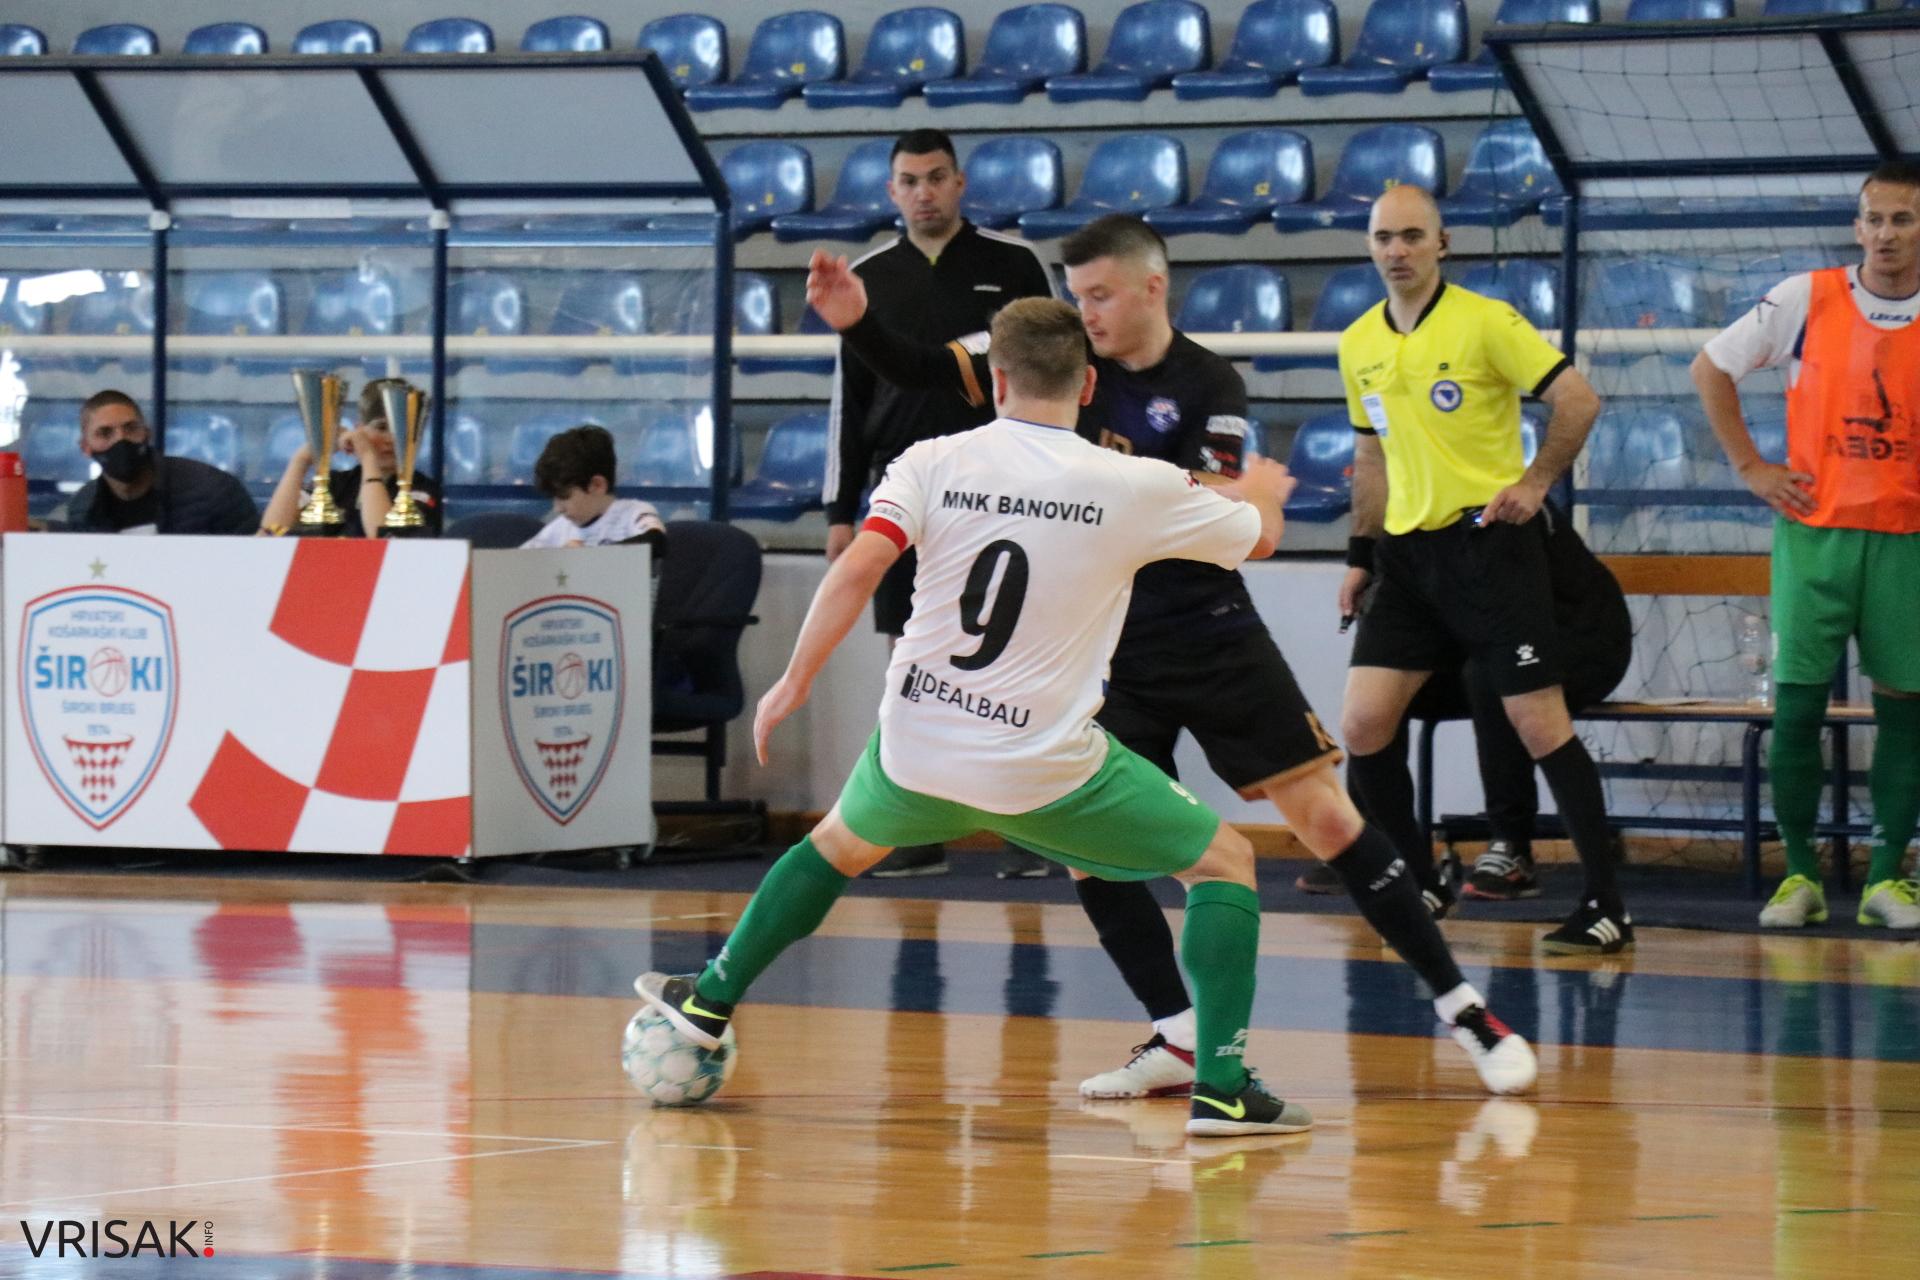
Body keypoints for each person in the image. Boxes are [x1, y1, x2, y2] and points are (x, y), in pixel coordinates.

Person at [636, 298, 1519, 1135]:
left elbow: (863, 567)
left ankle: (710, 999)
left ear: (994, 378)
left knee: (832, 846)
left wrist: (793, 680)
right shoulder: (1127, 481)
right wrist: (1265, 490)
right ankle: (1222, 1087)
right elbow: (1257, 538)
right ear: (1088, 386)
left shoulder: (932, 460)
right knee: (1226, 861)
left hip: (917, 747)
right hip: (1040, 769)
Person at [1334, 184, 1624, 956]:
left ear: (1442, 243)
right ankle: (1415, 879)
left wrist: (1533, 484)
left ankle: (1606, 903)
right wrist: (1360, 558)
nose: (1396, 251)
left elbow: (1579, 400)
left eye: (1411, 236)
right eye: (1383, 238)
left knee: (1537, 722)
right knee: (1363, 724)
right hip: (1408, 557)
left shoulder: (1485, 322)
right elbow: (1371, 456)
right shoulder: (1358, 340)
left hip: (1488, 549)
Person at [1691, 161, 1920, 930]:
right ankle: (1798, 876)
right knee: (1796, 710)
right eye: (1874, 218)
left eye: (1903, 219)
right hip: (1814, 537)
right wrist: (1752, 467)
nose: (1886, 233)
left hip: (1907, 542)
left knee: (1906, 714)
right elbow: (1710, 366)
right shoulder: (1804, 297)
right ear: (1856, 226)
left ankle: (1889, 878)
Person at [823, 127, 1056, 879]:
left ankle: (1029, 823)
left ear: (960, 184)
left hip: (998, 487)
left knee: (1009, 655)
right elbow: (847, 402)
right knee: (911, 663)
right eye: (908, 180)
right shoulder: (866, 278)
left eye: (935, 177)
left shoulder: (1013, 265)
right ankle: (914, 828)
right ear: (891, 192)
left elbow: (1046, 374)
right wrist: (838, 507)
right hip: (902, 493)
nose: (923, 191)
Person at [1300, 504, 1630, 904]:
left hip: (1581, 640)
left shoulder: (1502, 515)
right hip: (1480, 641)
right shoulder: (1409, 521)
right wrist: (1362, 560)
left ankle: (1513, 847)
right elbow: (1370, 462)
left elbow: (1507, 620)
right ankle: (1373, 849)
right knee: (1377, 696)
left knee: (1491, 675)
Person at [259, 376, 441, 538]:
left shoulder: (423, 490)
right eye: (382, 427)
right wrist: (301, 460)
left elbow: (385, 539)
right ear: (359, 429)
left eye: (405, 431)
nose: (392, 440)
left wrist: (368, 459)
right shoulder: (334, 484)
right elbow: (270, 533)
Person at [56, 390, 257, 535]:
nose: (120, 440)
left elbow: (257, 559)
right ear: (85, 447)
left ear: (147, 434)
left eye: (131, 428)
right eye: (105, 433)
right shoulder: (84, 507)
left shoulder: (214, 490)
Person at [521, 424, 667, 551]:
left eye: (564, 497)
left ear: (597, 485)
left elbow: (657, 541)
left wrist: (591, 556)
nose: (558, 508)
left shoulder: (633, 513)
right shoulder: (559, 529)